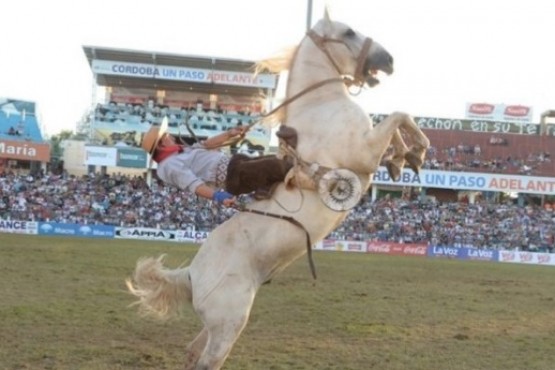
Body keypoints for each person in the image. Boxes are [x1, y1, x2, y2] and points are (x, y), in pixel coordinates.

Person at [141, 118, 293, 207]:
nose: (171, 137)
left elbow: (207, 144)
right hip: (232, 175)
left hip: (235, 166)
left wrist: (229, 134)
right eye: (166, 135)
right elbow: (194, 184)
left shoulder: (179, 152)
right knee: (275, 166)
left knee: (273, 161)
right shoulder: (169, 165)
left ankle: (265, 189)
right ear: (161, 144)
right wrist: (219, 197)